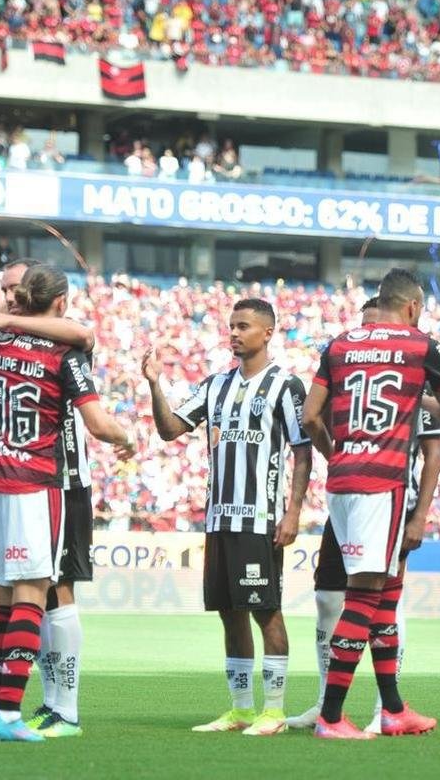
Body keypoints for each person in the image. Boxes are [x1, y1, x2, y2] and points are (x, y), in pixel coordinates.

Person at [0, 264, 133, 742]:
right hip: (38, 485)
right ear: (60, 301)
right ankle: (20, 715)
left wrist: (5, 315)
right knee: (34, 595)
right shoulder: (67, 354)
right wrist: (129, 437)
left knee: (3, 601)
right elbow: (99, 424)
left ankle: (4, 710)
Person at [300, 268, 440, 739]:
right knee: (366, 594)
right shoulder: (420, 346)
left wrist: (338, 452)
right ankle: (332, 717)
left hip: (342, 480)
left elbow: (310, 415)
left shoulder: (337, 345)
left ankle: (393, 708)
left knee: (387, 594)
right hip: (385, 484)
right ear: (413, 307)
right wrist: (420, 401)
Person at [143, 298, 312, 737]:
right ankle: (240, 709)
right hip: (219, 521)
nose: (234, 333)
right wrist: (154, 385)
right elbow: (170, 429)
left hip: (261, 521)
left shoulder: (286, 386)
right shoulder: (215, 384)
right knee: (229, 614)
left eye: (244, 326)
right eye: (231, 325)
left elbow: (303, 451)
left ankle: (273, 711)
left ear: (268, 332)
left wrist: (292, 513)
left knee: (267, 612)